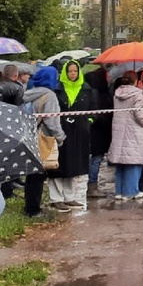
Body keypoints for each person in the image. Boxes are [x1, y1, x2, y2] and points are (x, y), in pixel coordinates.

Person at [48, 60, 96, 212]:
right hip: (61, 132)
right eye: (70, 71)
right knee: (58, 164)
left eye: (75, 71)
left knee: (74, 164)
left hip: (79, 132)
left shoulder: (86, 89)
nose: (73, 74)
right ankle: (56, 198)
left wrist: (87, 122)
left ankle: (69, 197)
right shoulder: (57, 89)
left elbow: (93, 109)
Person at [22, 67, 65, 218]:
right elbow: (52, 121)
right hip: (42, 137)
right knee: (39, 174)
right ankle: (33, 209)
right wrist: (60, 137)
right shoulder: (49, 96)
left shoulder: (28, 94)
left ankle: (30, 206)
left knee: (31, 174)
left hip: (29, 136)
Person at [108, 73, 143, 201]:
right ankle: (131, 191)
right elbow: (139, 113)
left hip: (119, 131)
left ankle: (119, 192)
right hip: (133, 131)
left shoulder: (117, 93)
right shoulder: (137, 94)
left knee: (121, 163)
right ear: (136, 81)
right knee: (134, 162)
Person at [84, 67, 113, 197]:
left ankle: (91, 184)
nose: (109, 78)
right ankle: (92, 185)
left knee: (95, 158)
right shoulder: (98, 94)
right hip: (98, 132)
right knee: (96, 159)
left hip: (97, 131)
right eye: (106, 76)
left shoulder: (96, 92)